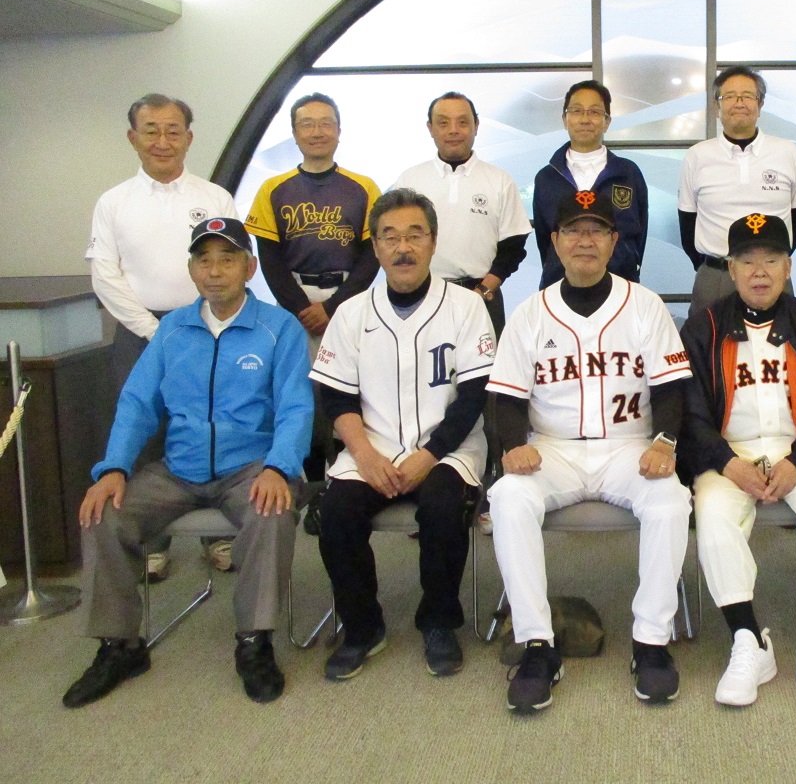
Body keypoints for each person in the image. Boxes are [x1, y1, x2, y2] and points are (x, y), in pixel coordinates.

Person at [63, 218, 312, 708]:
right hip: (179, 468)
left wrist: (279, 467)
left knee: (272, 511)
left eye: (227, 259)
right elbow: (138, 403)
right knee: (102, 513)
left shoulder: (278, 328)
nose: (214, 271)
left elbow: (296, 407)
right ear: (192, 269)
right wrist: (113, 468)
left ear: (249, 268)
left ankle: (254, 641)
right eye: (204, 260)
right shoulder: (172, 330)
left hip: (251, 466)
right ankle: (119, 646)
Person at [487, 189, 691, 712]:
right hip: (552, 449)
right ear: (554, 242)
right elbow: (505, 397)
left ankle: (651, 641)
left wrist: (665, 442)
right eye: (573, 230)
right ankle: (537, 644)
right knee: (508, 497)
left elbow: (671, 387)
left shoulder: (644, 305)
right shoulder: (531, 313)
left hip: (629, 446)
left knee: (671, 500)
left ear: (613, 241)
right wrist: (512, 446)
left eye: (596, 230)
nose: (585, 240)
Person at [310, 189, 495, 680]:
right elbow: (336, 398)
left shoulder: (466, 306)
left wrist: (429, 456)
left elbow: (474, 397)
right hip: (370, 447)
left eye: (415, 235)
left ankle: (438, 621)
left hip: (448, 449)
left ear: (433, 242)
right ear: (375, 246)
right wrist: (365, 456)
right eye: (390, 237)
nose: (403, 247)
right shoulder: (352, 312)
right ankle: (362, 627)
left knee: (442, 507)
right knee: (336, 514)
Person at [681, 213, 796, 715]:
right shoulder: (703, 327)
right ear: (730, 269)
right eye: (747, 261)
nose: (760, 272)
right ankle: (748, 640)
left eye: (772, 260)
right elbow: (688, 412)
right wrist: (724, 462)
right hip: (728, 453)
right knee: (713, 514)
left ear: (788, 267)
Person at [86, 93, 238, 581]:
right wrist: (156, 331)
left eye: (173, 130)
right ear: (133, 138)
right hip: (140, 330)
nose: (162, 141)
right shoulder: (114, 202)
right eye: (151, 130)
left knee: (212, 423)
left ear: (189, 138)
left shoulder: (214, 197)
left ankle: (219, 536)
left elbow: (232, 264)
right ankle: (153, 542)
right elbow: (105, 275)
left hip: (209, 323)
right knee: (145, 432)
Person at [244, 92, 381, 525]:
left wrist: (334, 307)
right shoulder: (274, 189)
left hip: (348, 300)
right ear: (294, 132)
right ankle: (307, 482)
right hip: (296, 302)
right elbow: (269, 258)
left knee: (348, 391)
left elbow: (371, 256)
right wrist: (303, 308)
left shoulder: (363, 187)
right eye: (307, 123)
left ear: (338, 131)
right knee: (298, 393)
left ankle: (341, 486)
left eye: (326, 123)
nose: (317, 131)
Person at [392, 91, 530, 336]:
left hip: (482, 295)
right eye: (443, 123)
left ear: (476, 126)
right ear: (430, 128)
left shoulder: (499, 180)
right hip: (423, 297)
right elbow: (393, 242)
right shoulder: (409, 180)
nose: (453, 130)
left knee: (486, 362)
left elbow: (513, 247)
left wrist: (483, 292)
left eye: (463, 122)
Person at [678, 66, 796, 314]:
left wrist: (771, 261)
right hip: (717, 275)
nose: (739, 103)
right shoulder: (697, 156)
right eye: (729, 96)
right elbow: (687, 224)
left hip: (773, 277)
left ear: (760, 104)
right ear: (716, 106)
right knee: (707, 339)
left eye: (747, 95)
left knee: (784, 339)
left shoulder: (788, 153)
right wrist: (717, 266)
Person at [531, 80, 647, 289]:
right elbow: (545, 239)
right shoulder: (546, 178)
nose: (585, 119)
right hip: (559, 287)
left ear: (607, 121)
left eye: (594, 112)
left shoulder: (628, 173)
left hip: (621, 286)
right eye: (576, 111)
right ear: (565, 119)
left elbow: (640, 234)